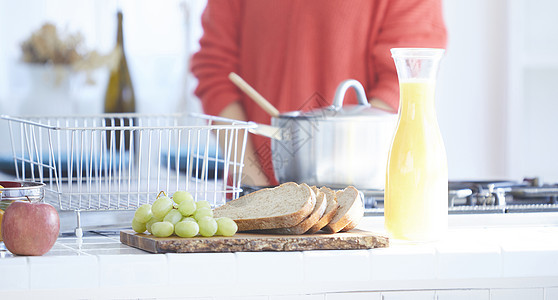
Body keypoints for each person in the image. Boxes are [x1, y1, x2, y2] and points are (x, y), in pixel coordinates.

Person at [191, 0, 447, 187]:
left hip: (360, 204)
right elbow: (216, 70)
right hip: (255, 200)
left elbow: (403, 76)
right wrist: (253, 184)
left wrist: (338, 195)